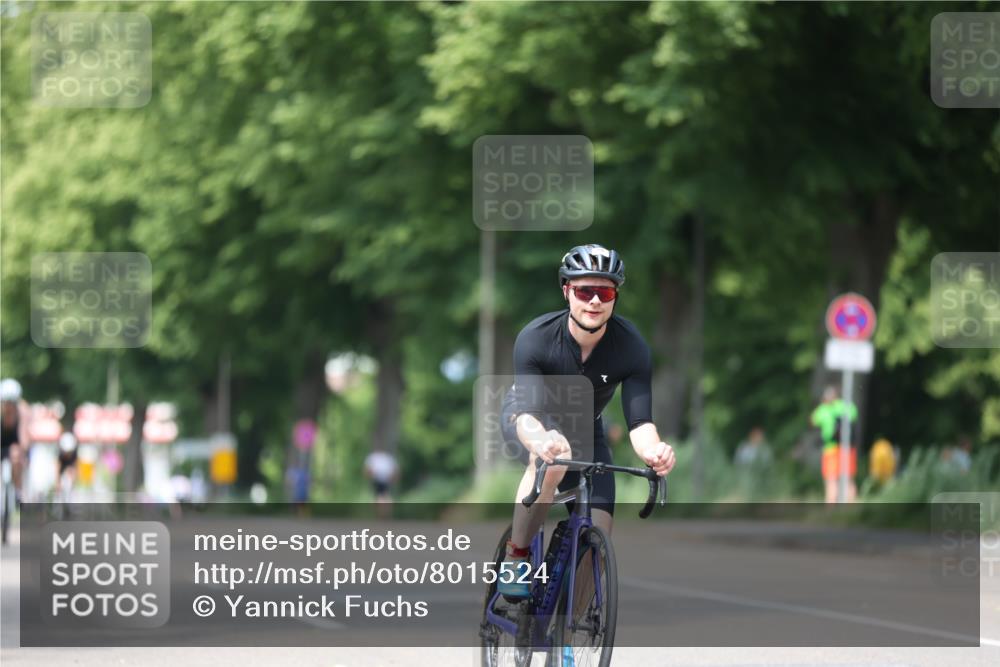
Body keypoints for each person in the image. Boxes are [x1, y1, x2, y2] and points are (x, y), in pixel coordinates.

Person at [497, 244, 675, 598]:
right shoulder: (536, 338)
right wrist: (542, 441)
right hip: (530, 418)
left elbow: (640, 423)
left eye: (605, 292)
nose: (595, 301)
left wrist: (655, 451)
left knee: (600, 532)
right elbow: (527, 418)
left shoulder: (631, 347)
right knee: (550, 465)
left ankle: (570, 635)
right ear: (567, 292)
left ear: (615, 297)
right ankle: (516, 554)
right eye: (585, 291)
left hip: (584, 427)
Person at [810, 385, 858, 503]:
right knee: (847, 479)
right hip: (847, 448)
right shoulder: (846, 406)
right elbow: (854, 415)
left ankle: (830, 508)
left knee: (831, 480)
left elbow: (813, 421)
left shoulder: (823, 409)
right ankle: (850, 508)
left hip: (831, 449)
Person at [0, 379, 30, 501]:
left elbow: (24, 439)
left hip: (15, 443)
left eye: (12, 403)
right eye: (6, 402)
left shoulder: (23, 411)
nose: (9, 406)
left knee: (16, 456)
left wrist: (21, 451)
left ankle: (18, 490)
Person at [364, 449, 399, 518]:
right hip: (379, 481)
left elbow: (395, 471)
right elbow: (367, 471)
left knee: (382, 498)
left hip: (385, 481)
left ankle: (383, 514)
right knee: (382, 498)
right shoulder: (374, 457)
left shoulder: (386, 458)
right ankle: (381, 514)